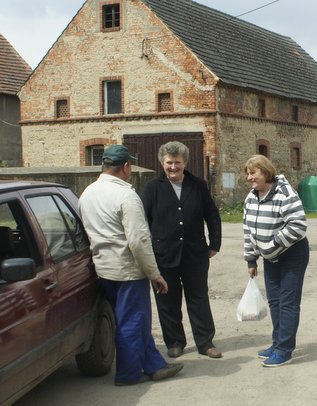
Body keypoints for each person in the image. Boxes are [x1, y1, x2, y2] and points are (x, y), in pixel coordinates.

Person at [78, 144, 183, 386]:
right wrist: (154, 274)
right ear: (126, 167)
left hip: (104, 268)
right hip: (127, 270)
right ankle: (128, 374)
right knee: (132, 323)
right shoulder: (126, 196)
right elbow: (139, 241)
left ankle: (154, 365)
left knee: (135, 320)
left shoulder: (88, 193)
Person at [141, 141, 223, 359]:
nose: (173, 167)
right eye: (169, 163)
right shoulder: (151, 188)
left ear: (185, 162)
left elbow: (212, 215)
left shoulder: (198, 185)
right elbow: (143, 222)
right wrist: (148, 252)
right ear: (162, 163)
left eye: (177, 163)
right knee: (167, 301)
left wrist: (214, 243)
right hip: (163, 255)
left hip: (194, 254)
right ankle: (175, 341)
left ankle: (205, 342)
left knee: (198, 299)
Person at [243, 154, 310, 367]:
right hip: (269, 257)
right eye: (247, 173)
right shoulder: (251, 197)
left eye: (253, 173)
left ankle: (284, 350)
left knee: (288, 303)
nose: (249, 178)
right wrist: (251, 259)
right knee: (274, 302)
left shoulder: (285, 193)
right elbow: (248, 230)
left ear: (265, 172)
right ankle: (277, 343)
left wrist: (273, 244)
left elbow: (298, 226)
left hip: (292, 254)